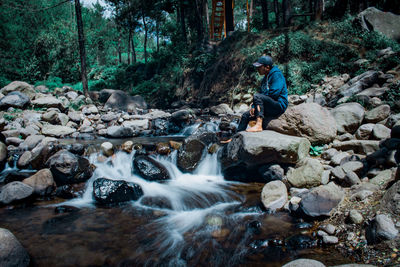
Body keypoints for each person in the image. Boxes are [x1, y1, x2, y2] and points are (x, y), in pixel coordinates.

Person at [237, 55, 288, 132]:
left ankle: (258, 125)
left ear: (267, 67)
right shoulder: (264, 79)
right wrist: (254, 106)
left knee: (257, 96)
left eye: (259, 67)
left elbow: (274, 93)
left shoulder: (276, 75)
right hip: (268, 105)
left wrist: (260, 100)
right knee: (246, 115)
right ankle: (236, 136)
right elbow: (262, 94)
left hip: (278, 105)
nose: (257, 69)